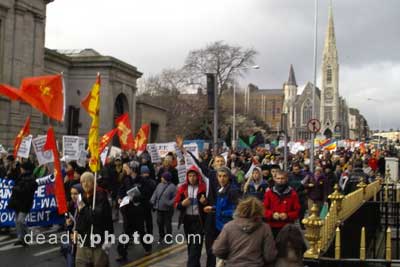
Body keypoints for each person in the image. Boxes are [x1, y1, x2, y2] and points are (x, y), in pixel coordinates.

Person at [212, 197, 277, 267]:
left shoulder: (229, 226)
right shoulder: (265, 228)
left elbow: (217, 250)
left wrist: (228, 256)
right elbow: (270, 256)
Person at [75, 172, 113, 267]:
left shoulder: (101, 196)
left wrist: (83, 208)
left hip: (98, 241)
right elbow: (79, 217)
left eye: (88, 181)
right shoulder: (82, 197)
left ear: (93, 182)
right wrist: (76, 230)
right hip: (84, 240)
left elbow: (96, 218)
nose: (85, 184)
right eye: (82, 182)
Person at [116, 162, 153, 261]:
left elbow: (147, 193)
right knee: (126, 232)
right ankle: (121, 253)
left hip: (139, 210)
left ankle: (147, 248)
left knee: (141, 231)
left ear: (132, 169)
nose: (125, 170)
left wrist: (136, 198)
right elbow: (121, 190)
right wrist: (119, 198)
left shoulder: (142, 180)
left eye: (127, 168)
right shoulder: (126, 179)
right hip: (128, 210)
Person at [175, 166, 207, 267]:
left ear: (198, 176)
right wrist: (182, 204)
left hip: (199, 222)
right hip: (187, 221)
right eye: (190, 176)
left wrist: (205, 202)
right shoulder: (183, 188)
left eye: (194, 176)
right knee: (191, 248)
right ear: (187, 177)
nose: (192, 178)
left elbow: (210, 204)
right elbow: (176, 204)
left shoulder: (204, 188)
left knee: (195, 249)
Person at [8, 160, 38, 246]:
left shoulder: (31, 178)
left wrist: (15, 189)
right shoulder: (20, 176)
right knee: (17, 222)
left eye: (21, 168)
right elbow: (11, 177)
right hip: (17, 202)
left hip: (25, 203)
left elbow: (26, 190)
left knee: (21, 221)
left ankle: (27, 235)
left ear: (24, 169)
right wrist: (12, 169)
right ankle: (20, 238)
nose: (20, 169)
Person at [264, 170, 300, 238]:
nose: (280, 180)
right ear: (274, 179)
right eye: (278, 178)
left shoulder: (293, 194)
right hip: (271, 226)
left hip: (287, 227)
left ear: (286, 179)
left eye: (282, 178)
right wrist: (272, 215)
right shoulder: (269, 193)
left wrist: (288, 215)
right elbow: (264, 209)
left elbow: (297, 211)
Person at [150, 171, 177, 242]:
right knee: (159, 222)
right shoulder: (159, 185)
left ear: (166, 178)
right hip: (159, 208)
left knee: (168, 224)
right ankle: (161, 235)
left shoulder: (172, 187)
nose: (161, 178)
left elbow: (176, 197)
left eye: (162, 177)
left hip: (168, 209)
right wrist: (152, 201)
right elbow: (155, 193)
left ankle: (168, 237)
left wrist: (169, 203)